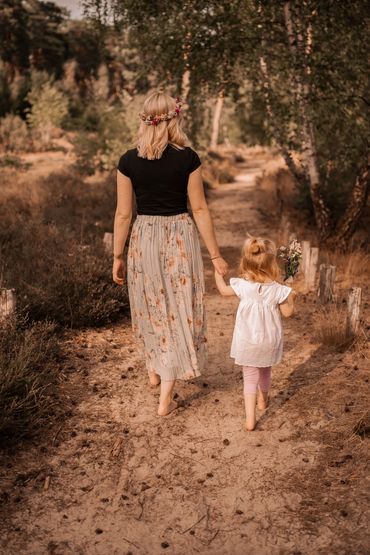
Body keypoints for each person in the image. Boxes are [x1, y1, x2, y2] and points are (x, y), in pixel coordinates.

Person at [113, 90, 228, 416]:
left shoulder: (127, 161)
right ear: (174, 118)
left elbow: (123, 214)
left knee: (150, 305)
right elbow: (201, 208)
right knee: (176, 306)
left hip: (145, 236)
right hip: (179, 235)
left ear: (145, 119)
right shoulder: (188, 158)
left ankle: (156, 369)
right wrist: (216, 256)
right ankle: (165, 392)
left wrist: (117, 255)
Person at [214, 234, 296, 431]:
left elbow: (224, 291)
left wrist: (217, 274)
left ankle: (250, 420)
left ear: (247, 262)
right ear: (272, 264)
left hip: (247, 341)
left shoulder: (242, 285)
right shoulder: (278, 289)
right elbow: (287, 313)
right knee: (265, 370)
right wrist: (292, 297)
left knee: (250, 377)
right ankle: (263, 401)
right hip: (269, 341)